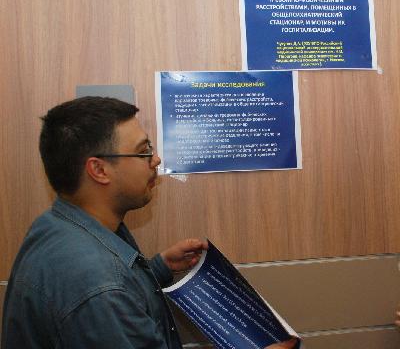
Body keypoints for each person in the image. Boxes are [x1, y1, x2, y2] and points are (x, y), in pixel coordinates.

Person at [1, 96, 296, 349]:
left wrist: (158, 269)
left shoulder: (59, 225)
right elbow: (106, 292)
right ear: (99, 170)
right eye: (143, 151)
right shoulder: (100, 287)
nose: (155, 160)